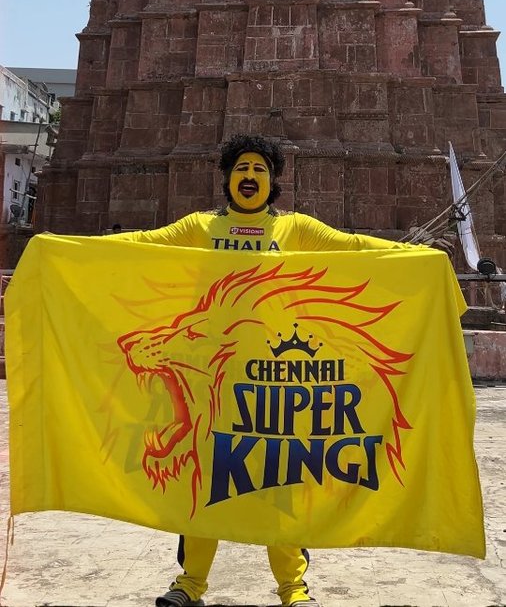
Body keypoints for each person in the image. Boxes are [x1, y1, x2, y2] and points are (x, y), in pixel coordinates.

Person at [114, 133, 430, 607]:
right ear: (227, 177)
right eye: (241, 168)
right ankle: (190, 585)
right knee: (203, 480)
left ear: (273, 180)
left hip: (276, 383)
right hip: (212, 384)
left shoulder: (295, 229)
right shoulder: (199, 227)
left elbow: (355, 247)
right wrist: (68, 248)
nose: (249, 176)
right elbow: (141, 245)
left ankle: (294, 589)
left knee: (278, 483)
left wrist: (415, 255)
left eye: (260, 169)